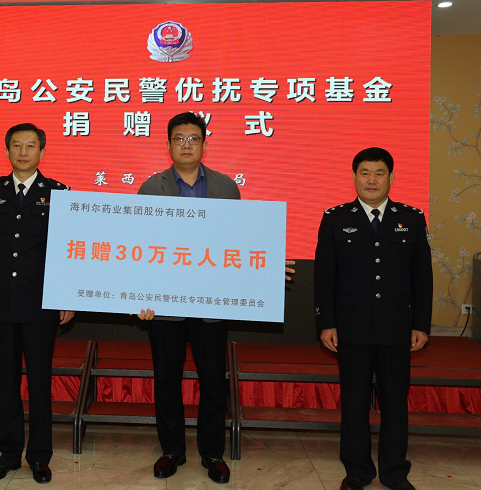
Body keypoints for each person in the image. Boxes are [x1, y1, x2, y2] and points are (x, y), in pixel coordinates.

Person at [137, 112, 295, 484]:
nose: (186, 144)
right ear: (168, 144)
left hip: (211, 304)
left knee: (212, 381)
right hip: (165, 305)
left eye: (193, 138)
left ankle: (212, 453)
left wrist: (267, 266)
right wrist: (139, 295)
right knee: (166, 380)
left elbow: (238, 243)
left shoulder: (226, 187)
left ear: (205, 144)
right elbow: (139, 245)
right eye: (179, 138)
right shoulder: (151, 187)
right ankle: (172, 450)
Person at [314, 147, 432, 490]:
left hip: (397, 328)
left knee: (395, 405)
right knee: (354, 404)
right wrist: (326, 322)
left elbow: (422, 277)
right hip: (351, 328)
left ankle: (395, 473)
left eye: (379, 173)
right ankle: (357, 471)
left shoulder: (412, 218)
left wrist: (421, 324)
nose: (371, 180)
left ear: (391, 178)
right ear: (354, 177)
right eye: (364, 172)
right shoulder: (335, 218)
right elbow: (325, 277)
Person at [0, 123, 75, 484]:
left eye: (31, 146)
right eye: (17, 145)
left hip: (40, 303)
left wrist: (66, 295)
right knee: (7, 381)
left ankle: (39, 456)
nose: (23, 152)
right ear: (7, 151)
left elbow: (68, 250)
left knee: (40, 382)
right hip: (0, 301)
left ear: (42, 152)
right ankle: (9, 453)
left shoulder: (58, 193)